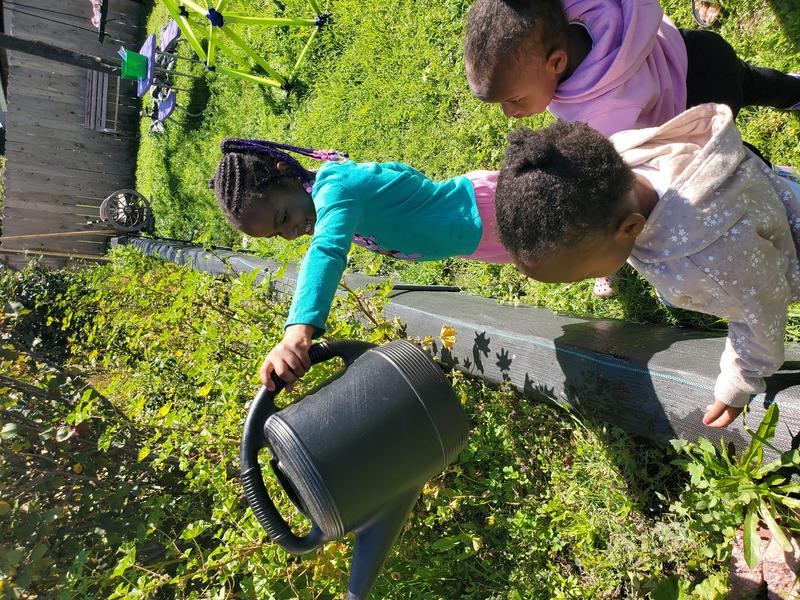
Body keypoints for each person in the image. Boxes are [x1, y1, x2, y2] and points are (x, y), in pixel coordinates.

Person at [492, 104, 800, 429]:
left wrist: (741, 378)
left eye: (585, 272)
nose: (589, 279)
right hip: (777, 197)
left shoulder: (710, 263)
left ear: (631, 229)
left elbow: (760, 313)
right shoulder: (621, 160)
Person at [463, 0, 800, 296]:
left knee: (725, 159)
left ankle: (772, 179)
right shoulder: (572, 11)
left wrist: (600, 260)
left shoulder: (603, 117)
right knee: (752, 80)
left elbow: (612, 193)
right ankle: (792, 91)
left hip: (697, 98)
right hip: (698, 52)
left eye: (513, 100)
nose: (510, 113)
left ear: (557, 62)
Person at [209, 138, 512, 389]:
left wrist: (297, 333)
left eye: (284, 218)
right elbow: (398, 174)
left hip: (487, 212)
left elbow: (326, 251)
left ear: (285, 170)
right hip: (472, 238)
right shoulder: (331, 190)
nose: (290, 234)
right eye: (278, 234)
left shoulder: (336, 190)